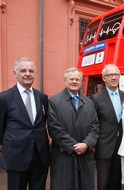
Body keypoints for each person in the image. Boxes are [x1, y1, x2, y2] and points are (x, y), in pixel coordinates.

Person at [0, 57, 50, 190]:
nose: (27, 74)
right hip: (16, 157)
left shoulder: (42, 97)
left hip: (40, 157)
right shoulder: (4, 98)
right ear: (15, 73)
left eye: (31, 71)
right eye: (23, 70)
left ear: (35, 74)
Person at [48, 67, 99, 190]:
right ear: (65, 81)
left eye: (77, 79)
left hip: (85, 154)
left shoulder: (89, 102)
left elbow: (95, 126)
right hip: (64, 155)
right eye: (71, 79)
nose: (74, 81)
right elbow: (54, 128)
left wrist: (86, 144)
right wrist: (74, 146)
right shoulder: (54, 101)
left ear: (81, 82)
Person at [92, 64, 124, 190]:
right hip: (104, 146)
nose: (113, 78)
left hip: (122, 145)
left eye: (116, 75)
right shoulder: (96, 99)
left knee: (117, 181)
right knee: (103, 183)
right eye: (110, 75)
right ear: (104, 78)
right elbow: (94, 124)